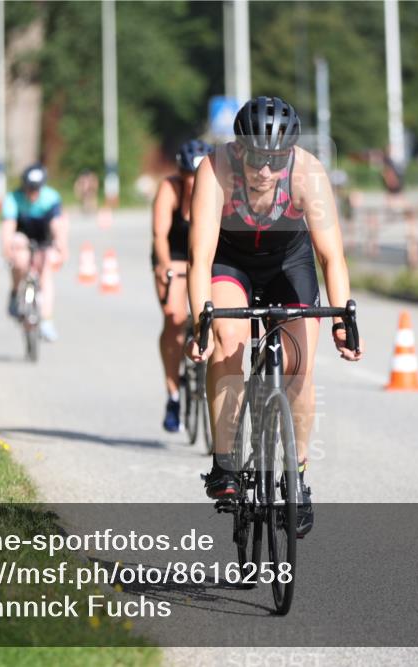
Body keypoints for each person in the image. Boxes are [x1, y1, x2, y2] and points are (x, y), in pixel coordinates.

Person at [186, 96, 363, 537]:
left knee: (299, 365)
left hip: (289, 262)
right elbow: (199, 257)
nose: (264, 171)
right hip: (231, 262)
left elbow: (332, 256)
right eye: (256, 158)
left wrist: (343, 320)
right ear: (240, 149)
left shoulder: (308, 173)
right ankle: (225, 462)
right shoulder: (214, 170)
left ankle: (296, 478)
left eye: (274, 160)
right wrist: (198, 324)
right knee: (227, 343)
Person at [153, 139, 213, 432]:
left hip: (204, 256)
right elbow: (160, 236)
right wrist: (164, 266)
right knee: (175, 318)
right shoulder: (170, 189)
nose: (194, 183)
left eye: (198, 176)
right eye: (189, 176)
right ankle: (173, 394)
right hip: (175, 256)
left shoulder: (217, 189)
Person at [1, 164, 69, 342]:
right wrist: (7, 248)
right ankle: (15, 293)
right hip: (22, 235)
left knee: (46, 274)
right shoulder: (13, 199)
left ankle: (46, 321)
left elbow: (57, 224)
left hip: (43, 236)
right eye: (29, 188)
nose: (33, 193)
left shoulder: (51, 198)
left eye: (36, 189)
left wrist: (61, 246)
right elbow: (8, 226)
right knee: (20, 261)